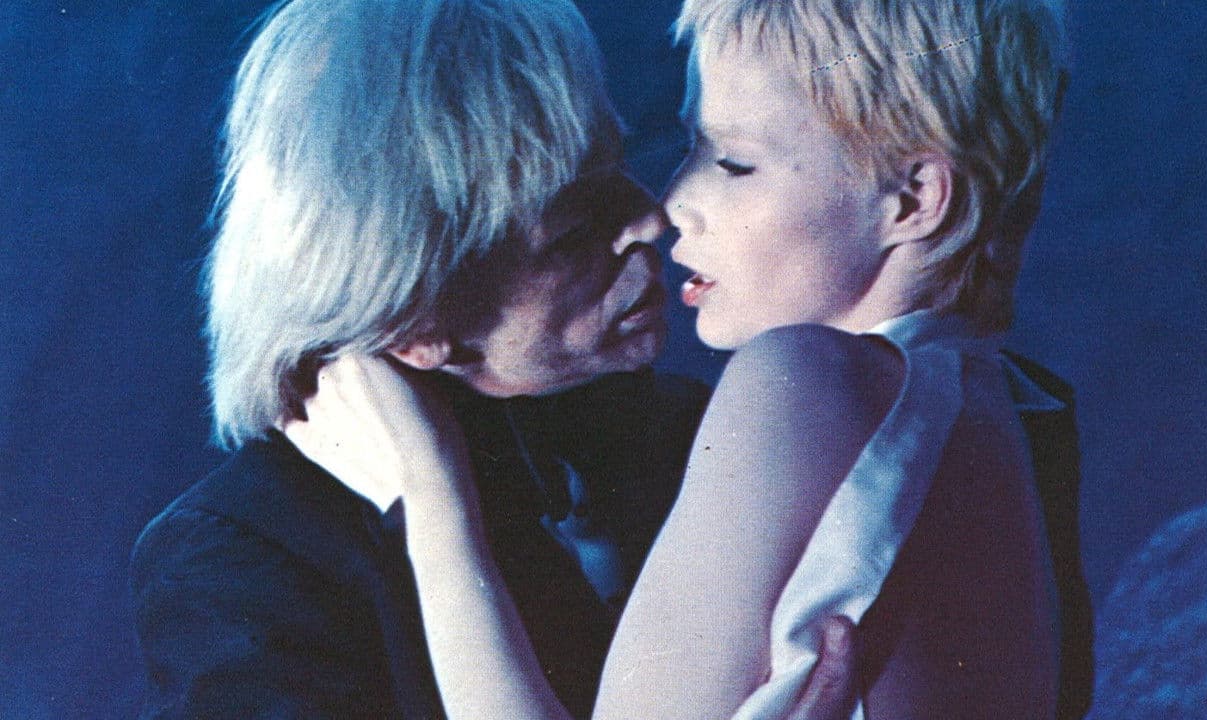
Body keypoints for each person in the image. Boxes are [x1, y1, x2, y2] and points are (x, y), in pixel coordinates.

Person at [285, 0, 1090, 719]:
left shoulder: (799, 379)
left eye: (734, 163)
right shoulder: (1007, 412)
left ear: (913, 199)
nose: (674, 204)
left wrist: (433, 503)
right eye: (693, 147)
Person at [129, 0, 857, 718]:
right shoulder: (246, 564)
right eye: (575, 227)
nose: (649, 217)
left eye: (619, 166)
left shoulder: (691, 432)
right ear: (417, 324)